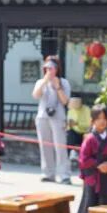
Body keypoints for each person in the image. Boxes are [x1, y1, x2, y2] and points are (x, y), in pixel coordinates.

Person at [32, 56, 71, 184]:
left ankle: (64, 174)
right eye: (47, 68)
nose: (49, 70)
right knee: (45, 146)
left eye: (52, 68)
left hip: (58, 117)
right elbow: (36, 95)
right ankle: (48, 173)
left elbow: (65, 101)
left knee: (60, 146)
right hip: (43, 117)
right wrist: (45, 81)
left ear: (57, 69)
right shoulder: (40, 82)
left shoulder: (64, 82)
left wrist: (57, 86)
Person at [65, 96, 91, 163]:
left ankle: (83, 158)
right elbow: (69, 123)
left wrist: (77, 123)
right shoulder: (70, 110)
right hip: (74, 131)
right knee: (69, 136)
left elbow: (88, 125)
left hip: (84, 132)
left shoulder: (86, 110)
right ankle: (69, 157)